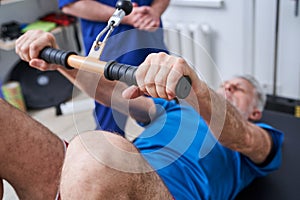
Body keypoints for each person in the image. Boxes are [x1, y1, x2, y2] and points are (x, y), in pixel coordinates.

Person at [0, 29, 284, 199]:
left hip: (152, 191)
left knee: (96, 149)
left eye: (239, 89)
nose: (229, 87)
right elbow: (108, 93)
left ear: (256, 111)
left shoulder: (259, 137)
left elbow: (243, 137)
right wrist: (58, 59)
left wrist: (199, 89)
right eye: (225, 85)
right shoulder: (175, 107)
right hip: (90, 184)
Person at [58, 0, 170, 136]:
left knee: (168, 117)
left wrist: (154, 12)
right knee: (110, 127)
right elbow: (70, 5)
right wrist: (128, 17)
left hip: (150, 43)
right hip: (111, 47)